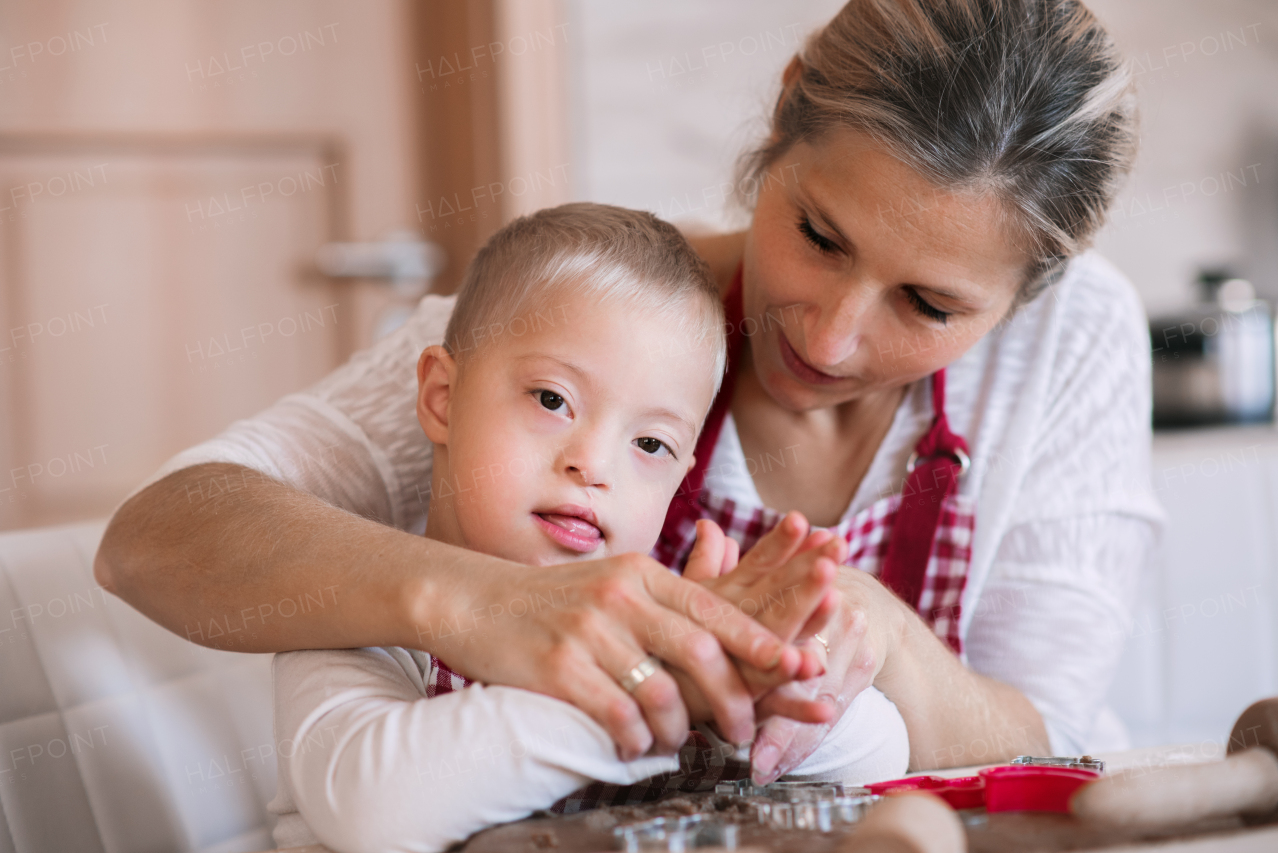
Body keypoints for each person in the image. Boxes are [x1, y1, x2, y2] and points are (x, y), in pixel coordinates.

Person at [96, 0, 1162, 784]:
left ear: (1027, 296)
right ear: (786, 108)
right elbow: (154, 538)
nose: (830, 336)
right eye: (817, 236)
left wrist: (872, 634)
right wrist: (478, 602)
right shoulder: (594, 313)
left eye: (926, 306)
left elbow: (1047, 743)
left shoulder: (1073, 341)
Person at [270, 204, 910, 853]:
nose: (594, 465)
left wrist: (760, 685)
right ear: (442, 396)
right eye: (552, 400)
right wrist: (659, 694)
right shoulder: (365, 615)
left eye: (652, 443)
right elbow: (377, 808)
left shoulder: (669, 627)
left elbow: (880, 755)